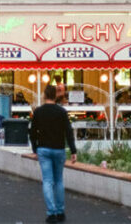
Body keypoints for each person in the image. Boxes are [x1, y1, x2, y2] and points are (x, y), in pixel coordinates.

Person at [28, 84, 77, 224]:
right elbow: (68, 132)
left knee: (48, 181)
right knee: (59, 181)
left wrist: (35, 149)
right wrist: (73, 150)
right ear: (55, 96)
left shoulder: (38, 112)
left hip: (43, 149)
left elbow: (32, 132)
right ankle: (61, 211)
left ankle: (51, 213)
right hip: (59, 149)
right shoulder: (61, 111)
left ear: (44, 95)